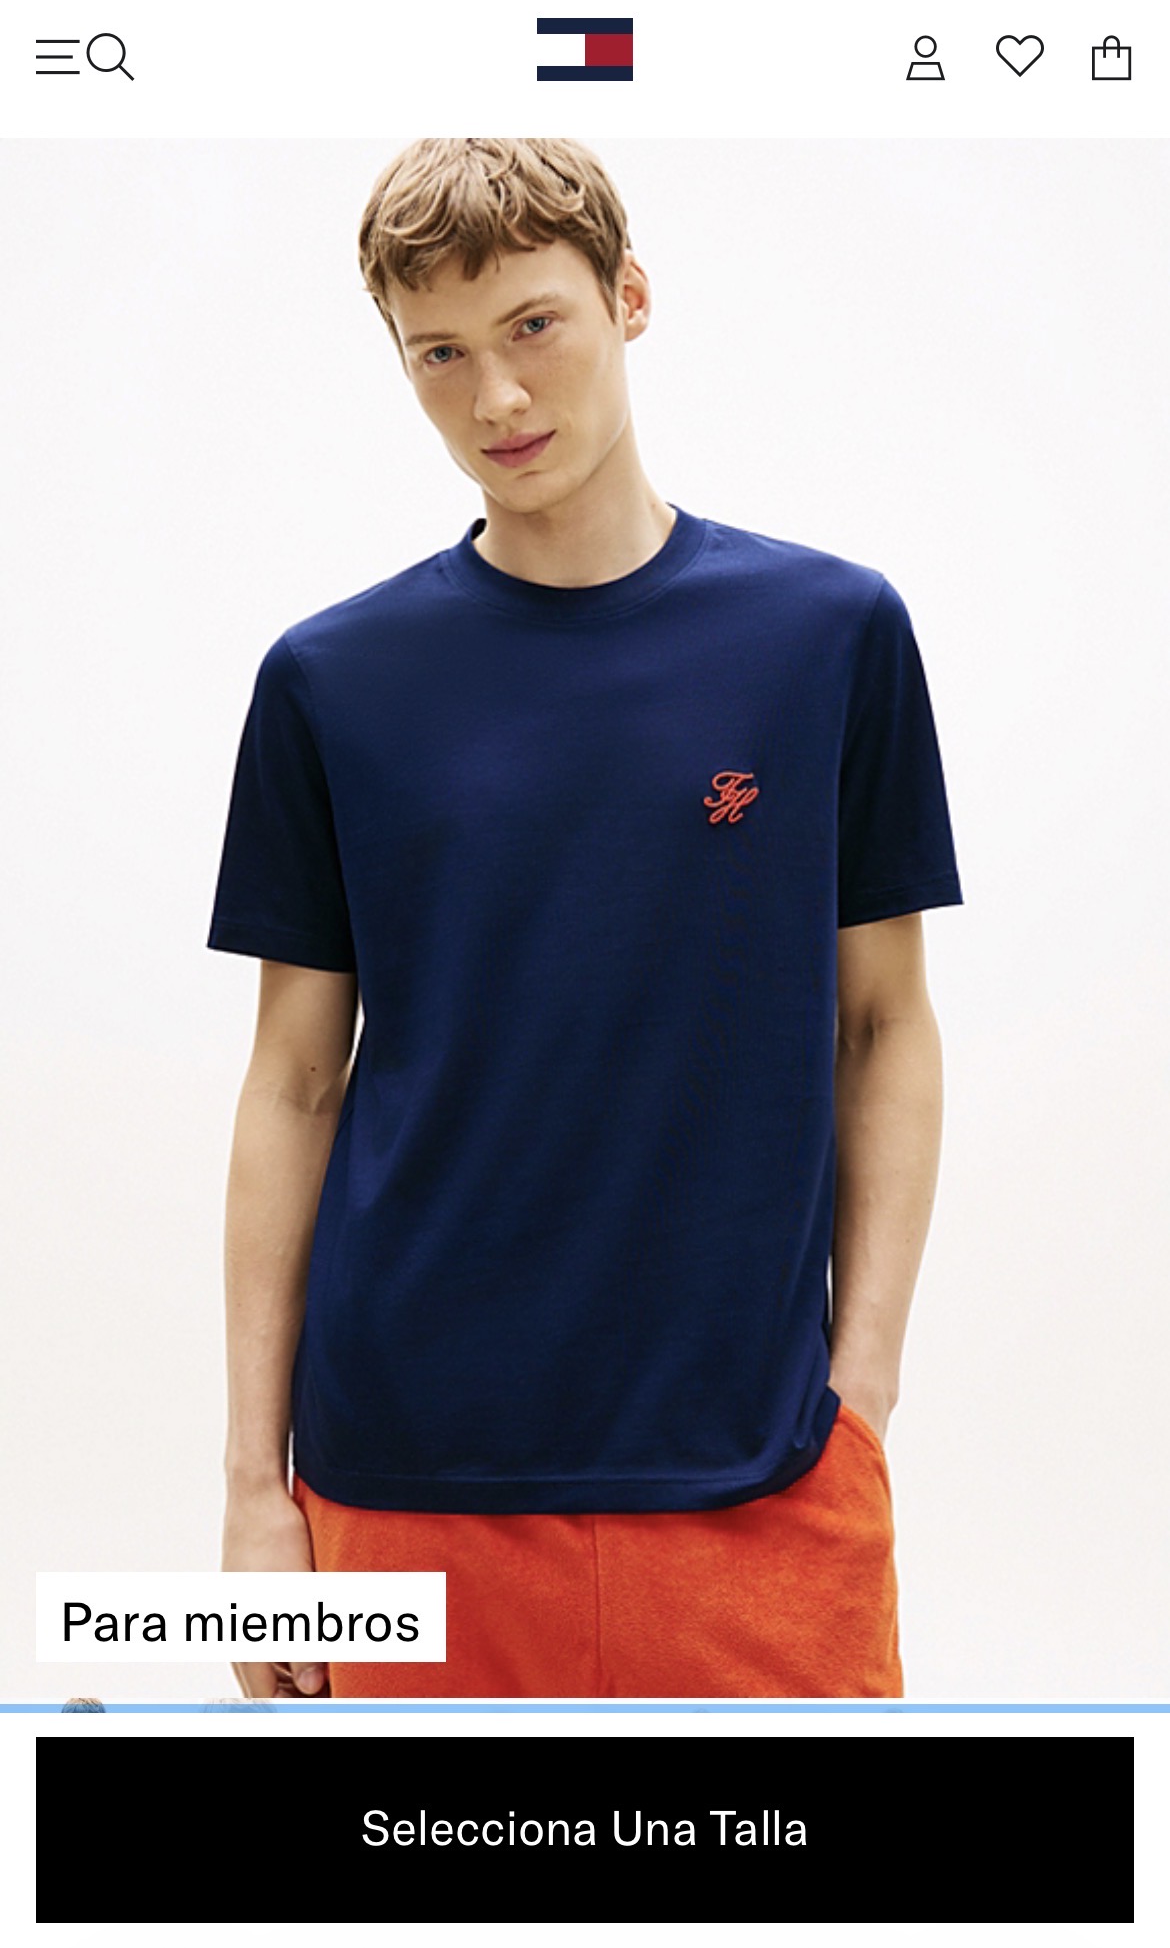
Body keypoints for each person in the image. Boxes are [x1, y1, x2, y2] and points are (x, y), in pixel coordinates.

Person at [208, 137, 963, 1700]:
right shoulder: (330, 681)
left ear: (628, 297)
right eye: (438, 353)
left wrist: (863, 1391)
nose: (495, 397)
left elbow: (883, 1023)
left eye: (533, 326)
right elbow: (293, 1081)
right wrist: (250, 1492)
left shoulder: (827, 636)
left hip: (761, 1466)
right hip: (401, 1466)